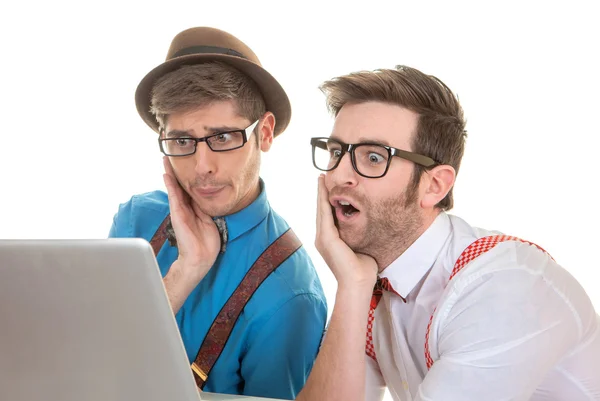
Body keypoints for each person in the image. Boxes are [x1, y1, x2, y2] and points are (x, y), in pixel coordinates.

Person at [297, 65, 600, 401]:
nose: (339, 175)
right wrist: (352, 287)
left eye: (373, 157)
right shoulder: (373, 286)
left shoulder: (504, 286)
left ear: (434, 186)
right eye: (336, 152)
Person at [108, 26, 327, 400]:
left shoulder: (290, 296)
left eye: (223, 137)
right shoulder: (136, 222)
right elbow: (97, 365)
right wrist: (183, 273)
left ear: (266, 133)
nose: (202, 166)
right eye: (182, 141)